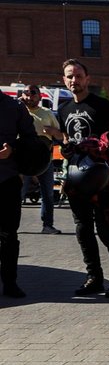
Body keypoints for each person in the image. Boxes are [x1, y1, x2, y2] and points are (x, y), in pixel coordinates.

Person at [59, 59, 109, 297]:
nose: (74, 80)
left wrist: (106, 153)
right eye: (69, 76)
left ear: (87, 79)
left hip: (101, 176)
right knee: (83, 230)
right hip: (76, 178)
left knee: (106, 230)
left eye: (78, 76)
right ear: (64, 80)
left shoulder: (101, 105)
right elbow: (67, 141)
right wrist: (66, 150)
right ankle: (94, 278)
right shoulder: (63, 109)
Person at [0, 92, 36, 298]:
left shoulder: (14, 107)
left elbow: (31, 139)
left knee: (8, 235)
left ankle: (10, 282)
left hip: (7, 180)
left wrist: (12, 149)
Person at [19, 85, 65, 234]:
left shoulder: (47, 113)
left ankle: (48, 225)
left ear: (40, 97)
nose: (29, 96)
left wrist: (52, 131)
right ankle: (9, 226)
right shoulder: (17, 112)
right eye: (26, 93)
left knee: (48, 194)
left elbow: (60, 136)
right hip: (23, 162)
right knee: (17, 193)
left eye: (33, 93)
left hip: (45, 161)